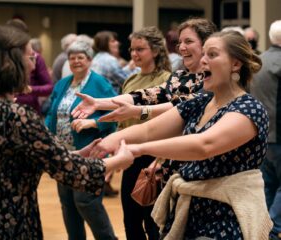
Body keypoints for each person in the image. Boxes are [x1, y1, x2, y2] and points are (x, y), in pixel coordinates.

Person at [89, 30, 272, 239]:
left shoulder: (249, 108)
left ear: (236, 64)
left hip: (226, 220)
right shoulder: (200, 102)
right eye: (203, 54)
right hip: (188, 213)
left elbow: (203, 145)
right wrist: (105, 144)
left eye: (212, 55)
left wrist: (139, 149)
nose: (203, 61)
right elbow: (149, 129)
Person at [0, 25, 133, 239]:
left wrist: (77, 154)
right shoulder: (16, 116)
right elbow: (65, 168)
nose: (34, 65)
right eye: (30, 57)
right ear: (10, 63)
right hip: (10, 223)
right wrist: (117, 161)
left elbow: (30, 160)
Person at [71, 18, 216, 123]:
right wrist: (97, 103)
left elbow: (181, 106)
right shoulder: (179, 76)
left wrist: (137, 111)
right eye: (180, 42)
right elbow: (143, 96)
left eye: (188, 41)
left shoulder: (214, 80)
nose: (181, 47)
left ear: (207, 44)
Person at [45, 40, 118, 240]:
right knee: (67, 203)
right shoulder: (62, 83)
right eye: (72, 57)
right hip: (63, 153)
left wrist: (93, 123)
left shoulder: (99, 83)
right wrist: (45, 132)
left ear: (89, 60)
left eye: (80, 57)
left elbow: (115, 112)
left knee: (86, 202)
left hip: (90, 151)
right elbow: (52, 113)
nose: (76, 61)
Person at [116, 26, 171, 240]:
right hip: (130, 155)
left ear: (155, 51)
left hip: (154, 156)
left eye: (140, 49)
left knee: (152, 221)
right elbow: (122, 121)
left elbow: (170, 123)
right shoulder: (130, 80)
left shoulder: (167, 80)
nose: (134, 54)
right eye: (132, 49)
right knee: (130, 219)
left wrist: (160, 159)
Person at [250, 20, 281, 240]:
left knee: (268, 185)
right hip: (279, 135)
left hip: (259, 135)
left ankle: (264, 228)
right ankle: (273, 227)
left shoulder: (256, 61)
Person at [6, 18, 54, 115]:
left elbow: (49, 87)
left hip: (28, 110)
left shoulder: (35, 57)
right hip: (5, 109)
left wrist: (30, 89)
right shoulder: (1, 57)